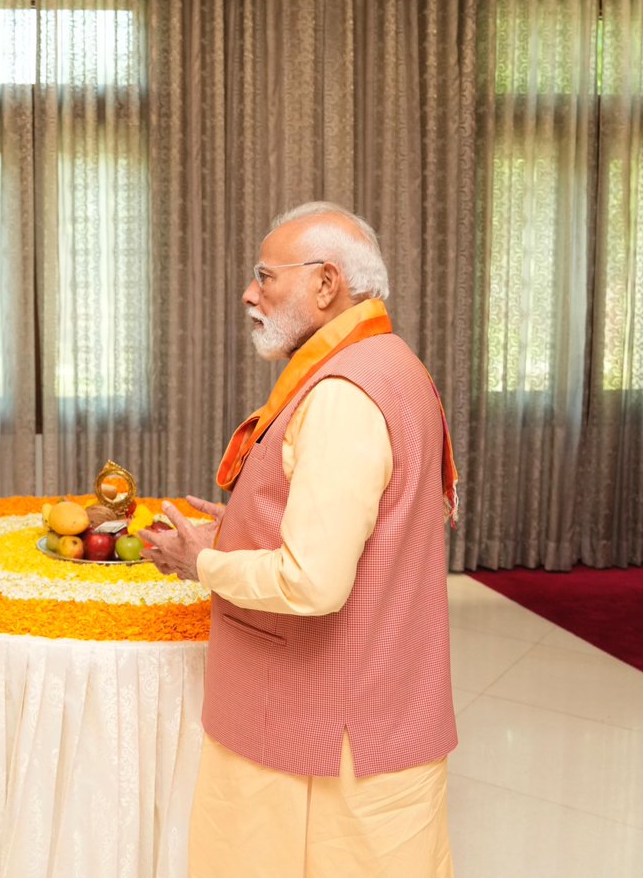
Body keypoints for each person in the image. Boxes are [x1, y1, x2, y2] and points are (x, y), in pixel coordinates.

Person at [142, 201, 459, 877]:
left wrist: (204, 560)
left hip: (323, 733)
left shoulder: (343, 394)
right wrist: (234, 525)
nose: (249, 294)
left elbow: (314, 580)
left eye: (265, 275)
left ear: (325, 284)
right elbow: (363, 532)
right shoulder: (390, 361)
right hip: (385, 699)